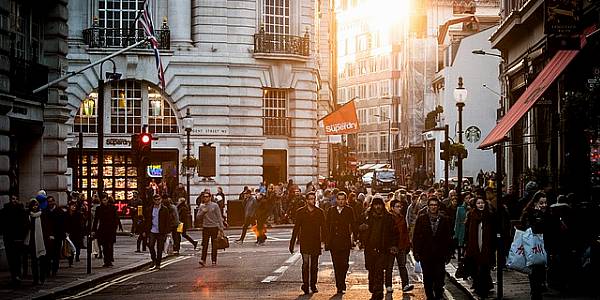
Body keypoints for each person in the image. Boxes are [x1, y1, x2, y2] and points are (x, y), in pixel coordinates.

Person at [413, 196, 453, 300]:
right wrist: (416, 252)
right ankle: (430, 295)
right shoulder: (422, 219)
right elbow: (416, 236)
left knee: (439, 276)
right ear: (428, 206)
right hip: (426, 254)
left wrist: (448, 253)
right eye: (431, 205)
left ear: (438, 206)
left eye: (435, 205)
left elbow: (448, 237)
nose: (433, 207)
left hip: (440, 254)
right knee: (427, 277)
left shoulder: (444, 220)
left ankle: (438, 294)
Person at [359, 195, 399, 300]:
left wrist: (393, 245)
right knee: (371, 270)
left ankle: (378, 294)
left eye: (379, 205)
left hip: (383, 249)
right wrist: (361, 232)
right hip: (369, 249)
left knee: (379, 271)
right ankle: (373, 289)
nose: (378, 207)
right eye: (376, 205)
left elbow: (394, 233)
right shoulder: (367, 216)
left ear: (382, 205)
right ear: (373, 206)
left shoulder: (388, 218)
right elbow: (358, 227)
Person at [289, 192, 326, 294]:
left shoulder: (319, 212)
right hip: (305, 241)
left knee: (314, 265)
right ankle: (305, 284)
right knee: (305, 264)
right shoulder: (300, 212)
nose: (312, 201)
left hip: (315, 241)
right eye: (310, 199)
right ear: (306, 200)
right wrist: (292, 243)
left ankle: (313, 284)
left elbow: (324, 228)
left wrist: (325, 241)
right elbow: (296, 228)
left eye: (313, 199)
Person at [519, 191, 551, 300]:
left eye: (545, 203)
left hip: (544, 245)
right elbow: (530, 229)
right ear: (535, 203)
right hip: (532, 246)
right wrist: (538, 215)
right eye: (541, 203)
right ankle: (535, 292)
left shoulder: (548, 213)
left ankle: (540, 287)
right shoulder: (530, 213)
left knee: (541, 269)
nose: (544, 205)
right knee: (535, 269)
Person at [325, 191, 357, 294]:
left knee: (344, 264)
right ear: (336, 200)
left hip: (345, 241)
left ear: (346, 200)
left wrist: (355, 238)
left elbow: (353, 224)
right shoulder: (331, 210)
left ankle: (342, 281)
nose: (341, 201)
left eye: (343, 199)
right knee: (336, 264)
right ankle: (339, 285)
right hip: (334, 241)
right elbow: (327, 225)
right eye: (339, 199)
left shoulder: (349, 210)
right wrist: (326, 240)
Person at [464, 197, 496, 297]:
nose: (481, 205)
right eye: (478, 203)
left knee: (485, 268)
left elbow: (494, 231)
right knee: (475, 268)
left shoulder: (489, 215)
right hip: (474, 245)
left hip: (486, 245)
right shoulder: (471, 215)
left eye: (482, 203)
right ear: (475, 205)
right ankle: (478, 287)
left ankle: (484, 289)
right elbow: (467, 230)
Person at [387, 199, 414, 293]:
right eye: (397, 206)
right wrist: (390, 246)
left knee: (402, 266)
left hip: (401, 246)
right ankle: (388, 285)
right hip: (391, 247)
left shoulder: (402, 218)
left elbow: (405, 232)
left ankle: (405, 284)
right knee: (389, 267)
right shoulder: (388, 218)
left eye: (400, 206)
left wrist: (407, 244)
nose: (399, 208)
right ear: (392, 208)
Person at [0, 194, 28, 285]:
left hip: (19, 239)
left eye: (16, 199)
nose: (14, 200)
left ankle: (17, 275)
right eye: (12, 199)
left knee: (18, 258)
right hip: (8, 238)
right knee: (11, 258)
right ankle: (14, 275)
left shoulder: (21, 210)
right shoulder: (5, 210)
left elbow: (25, 225)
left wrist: (22, 236)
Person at [196, 190, 225, 266]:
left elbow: (219, 217)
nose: (205, 198)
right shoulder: (202, 206)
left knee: (214, 245)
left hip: (214, 227)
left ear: (210, 197)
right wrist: (203, 212)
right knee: (204, 244)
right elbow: (198, 217)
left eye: (207, 196)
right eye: (204, 197)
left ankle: (214, 260)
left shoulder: (215, 205)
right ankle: (203, 260)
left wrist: (221, 228)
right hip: (206, 227)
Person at [143, 194, 171, 270]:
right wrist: (145, 231)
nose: (157, 201)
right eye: (156, 200)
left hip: (161, 232)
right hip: (152, 230)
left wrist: (168, 232)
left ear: (161, 200)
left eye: (159, 199)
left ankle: (158, 264)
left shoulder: (164, 209)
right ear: (153, 200)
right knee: (150, 245)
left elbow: (167, 221)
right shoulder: (149, 209)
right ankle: (154, 260)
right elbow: (147, 221)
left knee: (159, 248)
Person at [92, 193, 120, 267]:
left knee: (110, 246)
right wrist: (94, 230)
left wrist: (115, 227)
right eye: (103, 200)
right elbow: (96, 220)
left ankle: (109, 260)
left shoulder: (113, 207)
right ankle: (106, 261)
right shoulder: (99, 209)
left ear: (107, 200)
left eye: (105, 200)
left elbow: (116, 218)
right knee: (104, 246)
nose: (104, 201)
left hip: (111, 229)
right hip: (102, 229)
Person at [24, 199, 47, 285]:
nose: (35, 207)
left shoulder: (41, 215)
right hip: (31, 241)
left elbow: (45, 227)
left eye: (36, 205)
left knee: (42, 261)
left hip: (41, 240)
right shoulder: (28, 215)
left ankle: (42, 277)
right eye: (33, 205)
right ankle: (35, 279)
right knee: (34, 262)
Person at [64, 201, 84, 267]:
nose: (73, 207)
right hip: (69, 233)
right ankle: (70, 261)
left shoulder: (78, 214)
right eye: (72, 206)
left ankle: (77, 256)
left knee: (76, 246)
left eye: (74, 206)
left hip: (77, 232)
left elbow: (81, 224)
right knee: (70, 247)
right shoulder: (66, 214)